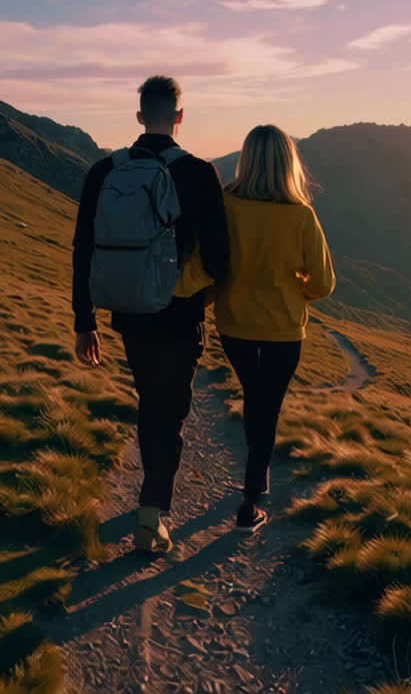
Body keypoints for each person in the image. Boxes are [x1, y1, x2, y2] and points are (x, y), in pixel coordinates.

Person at [72, 76, 230, 553]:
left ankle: (150, 504)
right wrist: (206, 297)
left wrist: (85, 321)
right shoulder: (200, 173)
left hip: (129, 313)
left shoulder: (104, 170)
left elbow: (84, 248)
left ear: (139, 116)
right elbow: (221, 256)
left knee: (150, 404)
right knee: (171, 411)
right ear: (180, 116)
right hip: (181, 313)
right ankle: (151, 514)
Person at [215, 125, 335, 533]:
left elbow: (211, 259)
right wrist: (294, 286)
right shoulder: (301, 214)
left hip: (234, 322)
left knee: (255, 397)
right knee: (268, 405)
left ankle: (255, 483)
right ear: (290, 163)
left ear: (245, 158)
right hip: (283, 328)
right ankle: (250, 500)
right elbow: (323, 284)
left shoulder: (225, 204)